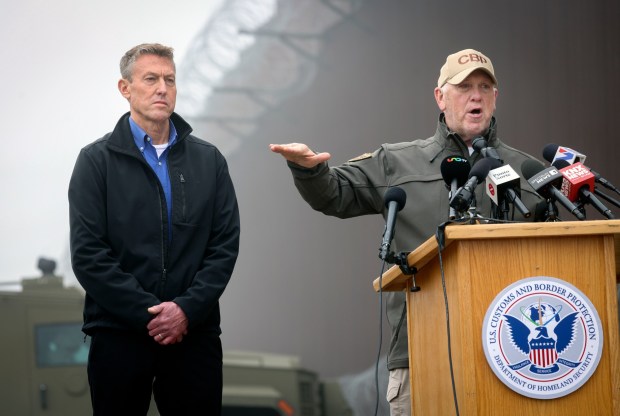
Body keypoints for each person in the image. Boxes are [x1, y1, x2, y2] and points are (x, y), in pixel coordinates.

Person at [270, 48, 542, 415]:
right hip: (421, 356)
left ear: (495, 98)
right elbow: (335, 194)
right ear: (440, 97)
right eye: (463, 87)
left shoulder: (527, 170)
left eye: (484, 87)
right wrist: (308, 170)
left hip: (517, 358)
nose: (475, 95)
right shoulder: (396, 162)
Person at [68, 43, 240, 415]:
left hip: (194, 335)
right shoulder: (95, 162)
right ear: (125, 88)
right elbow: (88, 254)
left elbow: (224, 246)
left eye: (170, 80)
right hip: (118, 334)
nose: (162, 88)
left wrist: (185, 311)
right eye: (151, 79)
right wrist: (152, 314)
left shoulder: (209, 161)